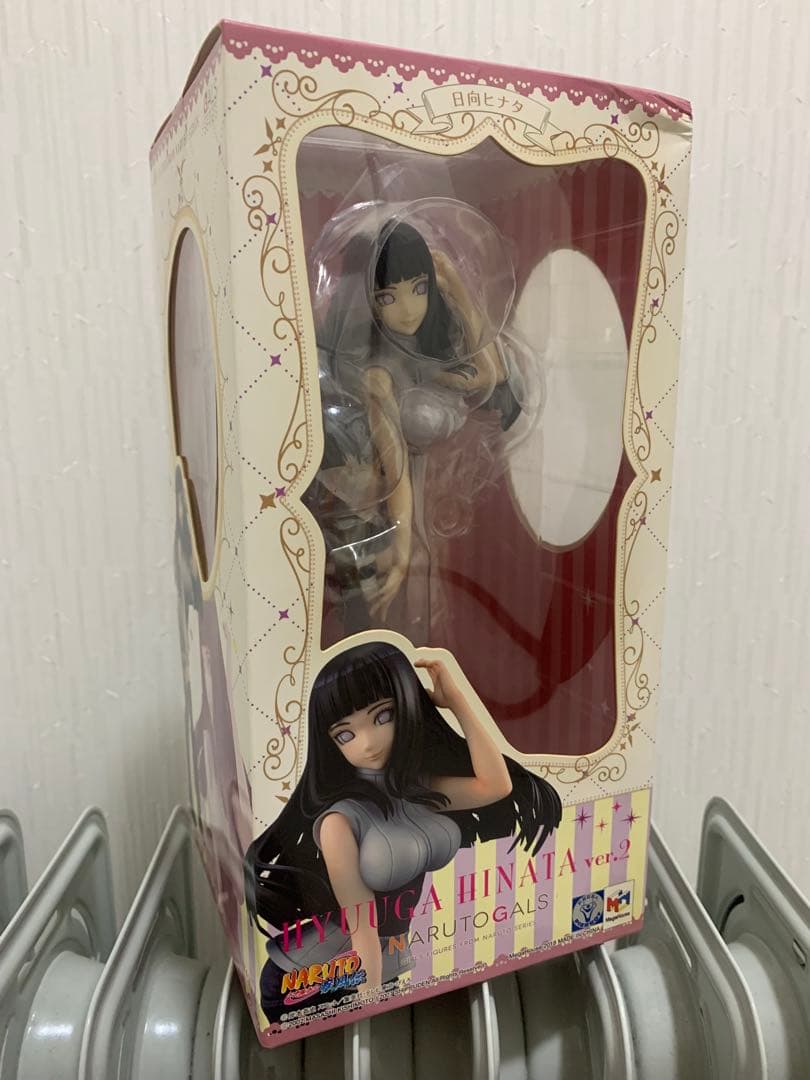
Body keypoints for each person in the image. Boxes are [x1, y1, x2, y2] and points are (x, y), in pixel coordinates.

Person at [244, 641, 561, 1022]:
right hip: (313, 976)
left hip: (382, 964)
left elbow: (495, 786)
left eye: (383, 716)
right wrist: (371, 997)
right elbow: (362, 924)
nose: (368, 743)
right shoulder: (339, 821)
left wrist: (456, 701)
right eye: (345, 735)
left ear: (408, 707)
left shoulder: (417, 792)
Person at [304, 216, 529, 642]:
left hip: (437, 487)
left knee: (430, 590)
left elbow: (492, 373)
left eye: (419, 288)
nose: (408, 308)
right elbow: (396, 472)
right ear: (368, 300)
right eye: (388, 297)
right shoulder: (377, 373)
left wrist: (455, 285)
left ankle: (423, 656)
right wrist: (404, 543)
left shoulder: (430, 346)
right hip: (392, 490)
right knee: (402, 591)